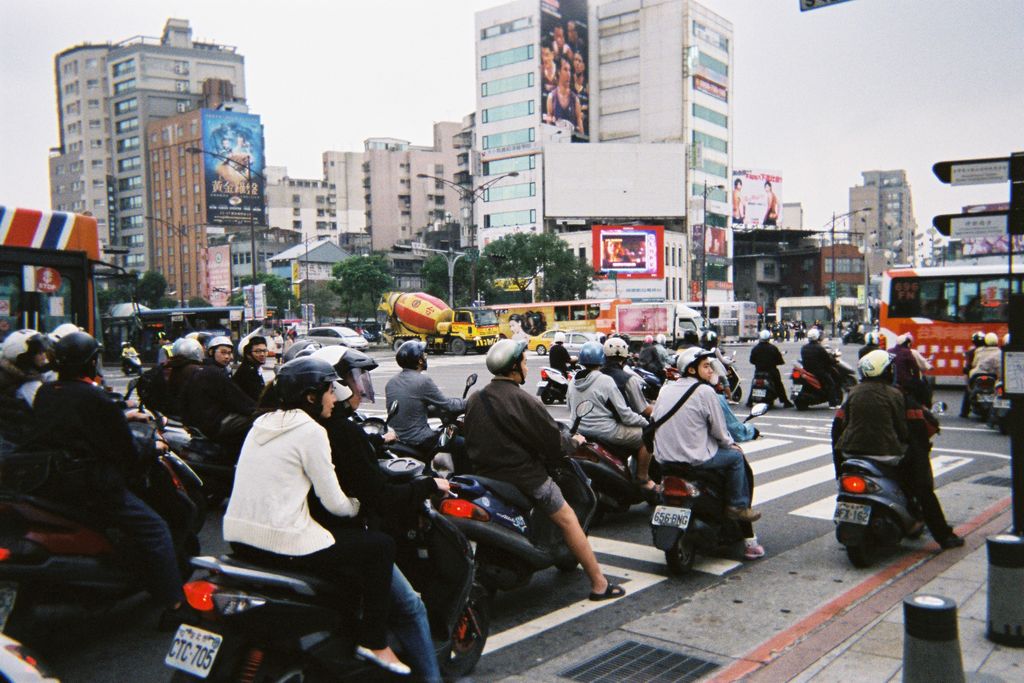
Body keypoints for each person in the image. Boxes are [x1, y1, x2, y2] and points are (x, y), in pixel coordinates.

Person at [223, 357, 410, 675]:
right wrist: (358, 507)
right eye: (328, 391)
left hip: (239, 540)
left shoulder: (261, 423)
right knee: (379, 546)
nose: (333, 397)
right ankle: (375, 642)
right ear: (311, 396)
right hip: (282, 543)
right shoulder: (311, 431)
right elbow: (335, 502)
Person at [30, 331, 185, 610]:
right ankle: (173, 604)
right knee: (156, 529)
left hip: (53, 481)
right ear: (90, 363)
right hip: (94, 485)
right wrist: (151, 448)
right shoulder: (92, 397)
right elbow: (124, 449)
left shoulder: (46, 393)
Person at [464, 339, 625, 601]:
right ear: (515, 367)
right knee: (568, 518)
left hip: (487, 479)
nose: (527, 367)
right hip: (526, 478)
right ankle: (599, 584)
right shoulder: (524, 400)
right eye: (525, 362)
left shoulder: (476, 399)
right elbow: (553, 443)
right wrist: (573, 443)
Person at [315, 379, 446, 682]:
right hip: (336, 534)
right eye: (342, 383)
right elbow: (374, 495)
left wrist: (373, 442)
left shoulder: (279, 426)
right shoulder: (337, 431)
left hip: (292, 533)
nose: (353, 389)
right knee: (411, 606)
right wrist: (426, 485)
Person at [832, 350, 964, 550]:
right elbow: (909, 429)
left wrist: (839, 465)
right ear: (887, 371)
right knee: (923, 489)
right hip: (886, 454)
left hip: (850, 453)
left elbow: (838, 426)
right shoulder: (896, 394)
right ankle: (944, 536)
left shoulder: (853, 393)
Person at [651, 347, 764, 557]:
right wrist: (731, 445)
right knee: (736, 459)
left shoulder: (666, 389)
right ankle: (737, 507)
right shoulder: (705, 392)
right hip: (695, 459)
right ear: (692, 370)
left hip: (664, 460)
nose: (711, 370)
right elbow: (721, 432)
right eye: (705, 366)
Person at [569, 342, 656, 489]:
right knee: (647, 437)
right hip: (606, 431)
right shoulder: (605, 380)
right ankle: (643, 478)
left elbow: (569, 407)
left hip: (579, 430)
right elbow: (625, 415)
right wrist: (646, 424)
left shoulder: (573, 380)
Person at [385, 340, 468, 472]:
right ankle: (463, 480)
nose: (425, 357)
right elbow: (448, 405)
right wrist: (470, 401)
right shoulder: (422, 381)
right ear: (419, 361)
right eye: (423, 355)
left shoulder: (391, 382)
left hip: (400, 438)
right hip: (420, 440)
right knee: (462, 444)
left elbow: (410, 408)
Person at [181, 336, 256, 454]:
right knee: (255, 420)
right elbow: (237, 399)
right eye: (223, 352)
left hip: (201, 421)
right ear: (211, 352)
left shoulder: (202, 370)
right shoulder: (214, 373)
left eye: (229, 353)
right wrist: (257, 410)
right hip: (213, 423)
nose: (227, 357)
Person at [0, 329, 52, 442]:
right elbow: (50, 413)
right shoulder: (30, 385)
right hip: (19, 441)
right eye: (39, 353)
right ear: (24, 358)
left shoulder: (9, 376)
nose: (44, 357)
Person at [601, 336, 652, 418]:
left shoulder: (596, 375)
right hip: (616, 424)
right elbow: (644, 410)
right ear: (625, 356)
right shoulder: (629, 380)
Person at [749, 329, 793, 408]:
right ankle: (785, 401)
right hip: (771, 371)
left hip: (759, 370)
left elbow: (752, 360)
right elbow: (779, 360)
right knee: (779, 385)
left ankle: (749, 401)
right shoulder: (773, 348)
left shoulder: (755, 348)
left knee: (753, 384)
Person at [801, 328, 841, 407]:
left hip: (806, 371)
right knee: (831, 384)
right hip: (818, 371)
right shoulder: (819, 348)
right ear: (817, 337)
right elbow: (827, 359)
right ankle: (833, 404)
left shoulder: (804, 347)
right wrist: (834, 361)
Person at [545, 56, 584, 135]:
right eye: (565, 70)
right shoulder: (551, 97)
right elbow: (548, 123)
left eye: (569, 70)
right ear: (559, 72)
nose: (568, 74)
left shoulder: (575, 99)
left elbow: (580, 124)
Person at [232, 335, 268, 403]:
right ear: (248, 354)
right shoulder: (247, 372)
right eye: (257, 351)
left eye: (264, 351)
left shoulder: (254, 369)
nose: (262, 354)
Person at [959, 331, 986, 417]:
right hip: (993, 377)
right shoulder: (998, 351)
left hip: (976, 376)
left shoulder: (972, 352)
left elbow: (969, 366)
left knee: (968, 390)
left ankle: (964, 412)